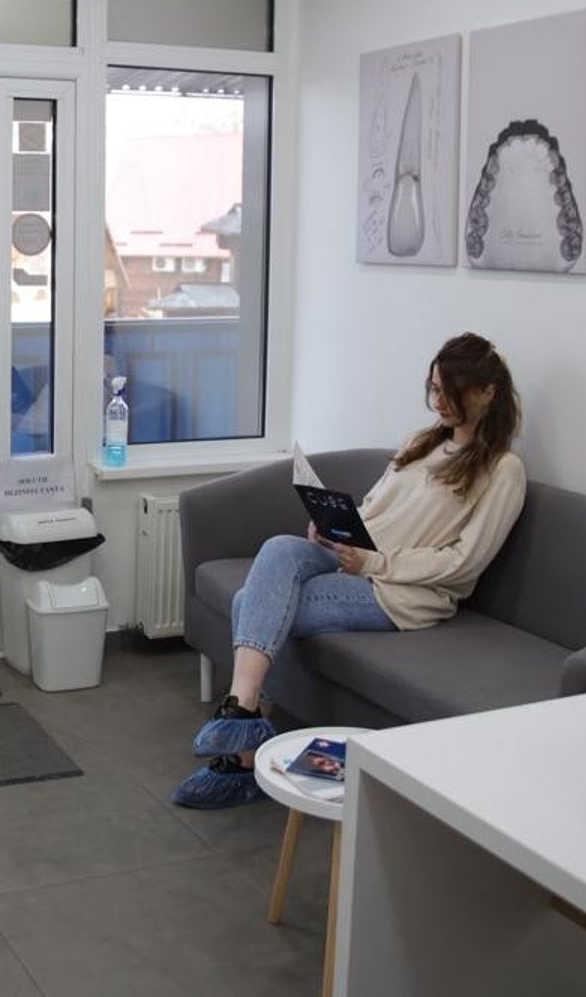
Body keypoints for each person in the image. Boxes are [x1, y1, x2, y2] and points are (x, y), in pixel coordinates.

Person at [172, 332, 527, 808]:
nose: (438, 403)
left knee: (248, 601)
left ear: (487, 393)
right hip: (352, 556)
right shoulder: (422, 444)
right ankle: (242, 713)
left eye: (450, 392)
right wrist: (331, 527)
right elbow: (376, 507)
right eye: (434, 390)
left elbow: (465, 562)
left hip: (397, 592)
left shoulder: (503, 470)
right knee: (280, 547)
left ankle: (242, 751)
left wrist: (374, 562)